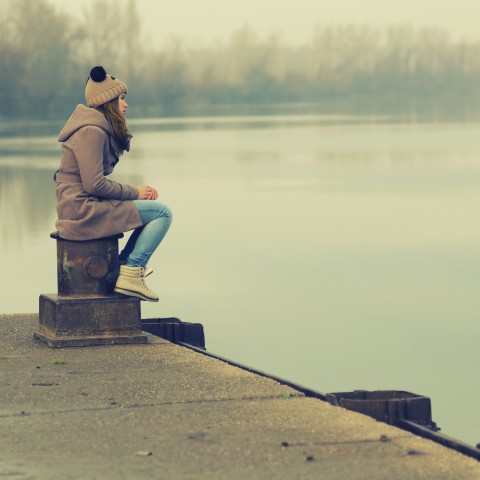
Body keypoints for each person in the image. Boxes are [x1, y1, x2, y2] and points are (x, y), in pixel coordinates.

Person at [55, 66, 172, 302]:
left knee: (151, 214)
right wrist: (135, 192)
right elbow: (94, 185)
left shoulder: (95, 128)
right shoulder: (91, 131)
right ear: (108, 102)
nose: (125, 104)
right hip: (83, 210)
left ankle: (125, 270)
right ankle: (131, 270)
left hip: (83, 206)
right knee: (161, 213)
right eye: (121, 98)